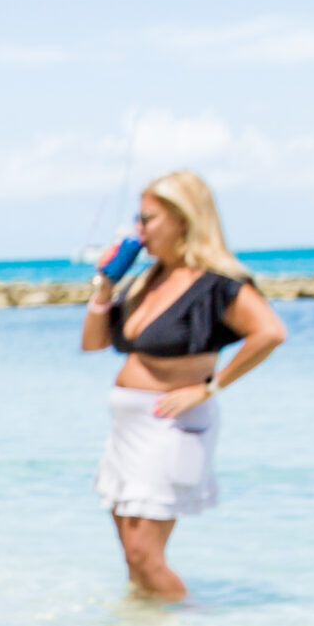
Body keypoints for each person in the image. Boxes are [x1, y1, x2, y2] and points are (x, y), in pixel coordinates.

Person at [79, 172, 285, 601]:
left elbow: (270, 333)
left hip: (169, 428)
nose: (139, 231)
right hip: (128, 431)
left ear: (182, 219)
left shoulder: (216, 284)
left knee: (144, 555)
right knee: (131, 556)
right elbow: (94, 344)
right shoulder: (148, 281)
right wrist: (105, 285)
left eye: (147, 219)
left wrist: (209, 388)